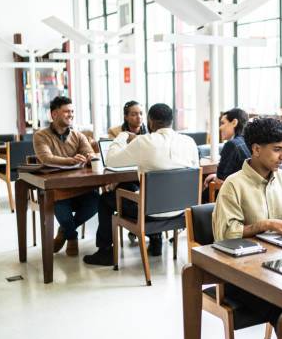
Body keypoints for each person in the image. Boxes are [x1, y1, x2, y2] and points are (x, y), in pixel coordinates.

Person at [212, 117, 282, 339]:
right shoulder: (233, 185)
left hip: (280, 265)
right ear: (256, 149)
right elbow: (225, 235)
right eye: (277, 149)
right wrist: (265, 224)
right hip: (244, 275)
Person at [83, 103, 199, 266]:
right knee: (131, 189)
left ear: (150, 121)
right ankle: (156, 239)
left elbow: (111, 161)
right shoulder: (189, 142)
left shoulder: (144, 142)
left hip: (150, 213)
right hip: (182, 210)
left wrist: (123, 136)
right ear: (172, 120)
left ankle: (106, 252)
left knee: (106, 200)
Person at [33, 96, 99, 257]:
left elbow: (89, 152)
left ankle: (64, 231)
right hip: (56, 189)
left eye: (72, 111)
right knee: (60, 203)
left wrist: (90, 156)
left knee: (97, 200)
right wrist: (71, 160)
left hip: (80, 187)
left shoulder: (78, 135)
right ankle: (72, 237)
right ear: (54, 114)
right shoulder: (41, 136)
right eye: (66, 111)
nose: (71, 115)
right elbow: (46, 158)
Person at [202, 108, 251, 201]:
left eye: (223, 123)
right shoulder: (251, 142)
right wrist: (215, 176)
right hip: (246, 195)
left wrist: (216, 177)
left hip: (231, 197)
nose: (220, 127)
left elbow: (220, 179)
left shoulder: (232, 145)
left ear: (234, 122)